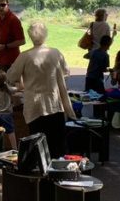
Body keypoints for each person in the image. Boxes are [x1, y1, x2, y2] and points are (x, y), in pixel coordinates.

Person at [6, 22, 75, 158]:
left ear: (30, 36)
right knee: (57, 145)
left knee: (39, 146)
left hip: (35, 107)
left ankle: (41, 175)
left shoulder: (25, 56)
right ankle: (58, 173)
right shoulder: (55, 52)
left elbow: (11, 75)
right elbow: (66, 72)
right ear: (46, 34)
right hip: (55, 104)